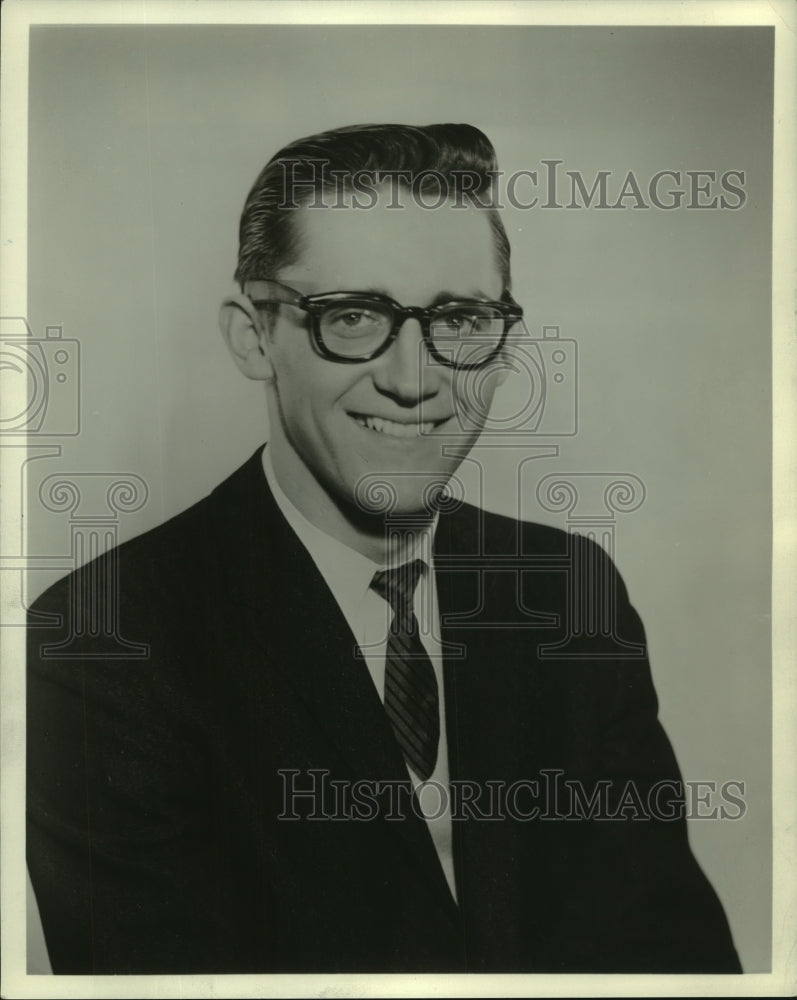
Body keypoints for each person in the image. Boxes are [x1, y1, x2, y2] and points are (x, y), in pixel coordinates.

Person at [26, 123, 741, 974]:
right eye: (353, 317)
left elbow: (673, 960)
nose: (412, 379)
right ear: (254, 337)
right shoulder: (101, 643)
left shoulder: (568, 592)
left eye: (459, 319)